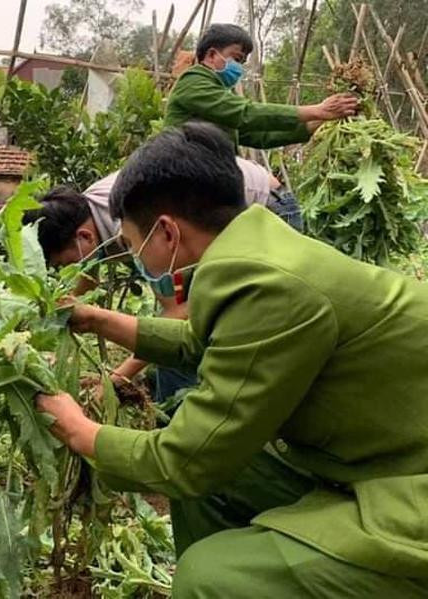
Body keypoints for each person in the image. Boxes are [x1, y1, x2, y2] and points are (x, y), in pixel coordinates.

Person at [36, 122, 428, 597]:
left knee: (208, 576)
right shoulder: (257, 248)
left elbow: (184, 461)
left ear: (167, 232)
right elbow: (206, 342)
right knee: (222, 477)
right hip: (380, 457)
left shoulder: (268, 286)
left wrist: (78, 430)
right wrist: (99, 319)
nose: (134, 257)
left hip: (409, 491)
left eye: (132, 245)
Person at [24, 156, 301, 403]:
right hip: (225, 215)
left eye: (65, 263)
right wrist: (51, 326)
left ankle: (180, 421)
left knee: (213, 337)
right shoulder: (82, 213)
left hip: (266, 207)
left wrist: (117, 379)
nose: (67, 270)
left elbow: (177, 314)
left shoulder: (131, 223)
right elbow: (87, 277)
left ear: (83, 237)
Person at [165, 23, 359, 149]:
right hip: (185, 166)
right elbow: (245, 113)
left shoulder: (219, 91)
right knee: (267, 187)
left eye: (242, 63)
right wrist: (316, 110)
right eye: (236, 59)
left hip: (207, 168)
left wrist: (312, 125)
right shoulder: (193, 82)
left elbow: (258, 136)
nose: (239, 67)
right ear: (211, 55)